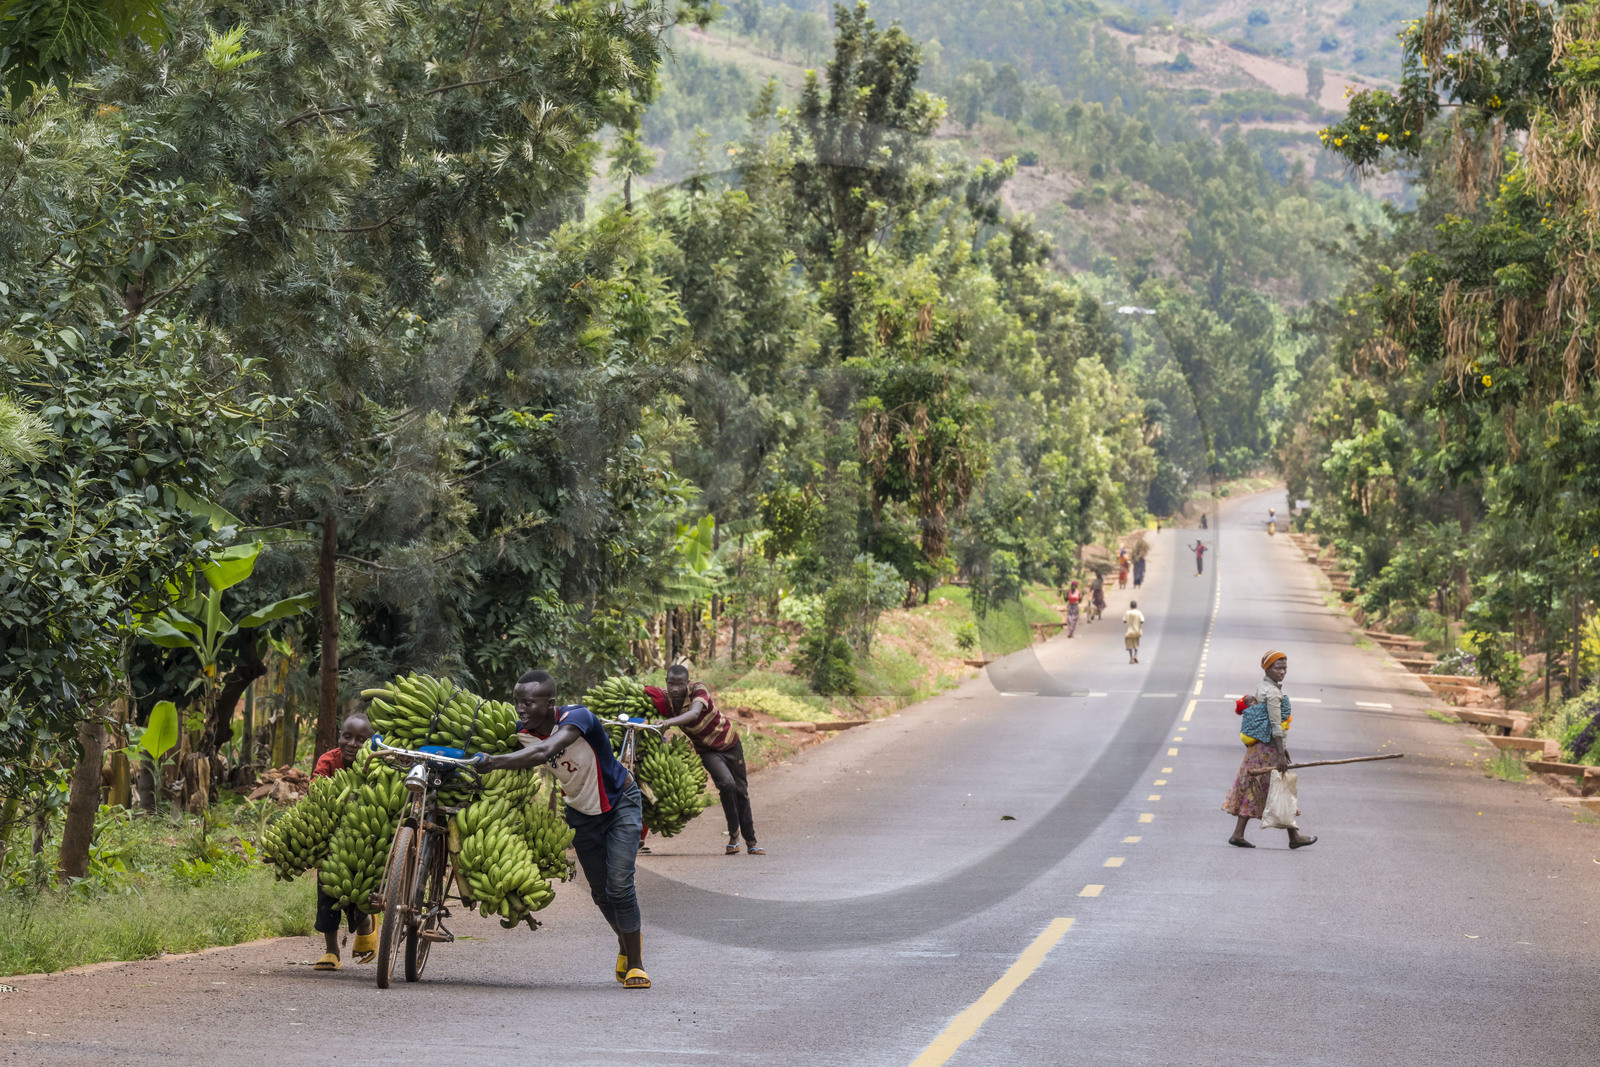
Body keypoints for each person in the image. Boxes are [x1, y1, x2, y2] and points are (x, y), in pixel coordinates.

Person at [477, 669, 651, 989]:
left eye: (528, 703)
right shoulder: (523, 732)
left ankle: (637, 965)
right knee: (600, 893)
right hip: (581, 815)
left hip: (620, 803)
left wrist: (495, 761)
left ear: (550, 703)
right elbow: (516, 747)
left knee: (619, 885)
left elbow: (543, 753)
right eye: (517, 702)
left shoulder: (577, 718)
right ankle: (626, 946)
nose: (520, 709)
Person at [647, 664, 761, 856]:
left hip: (730, 742)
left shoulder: (699, 689)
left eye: (680, 684)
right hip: (707, 750)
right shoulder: (666, 700)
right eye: (671, 683)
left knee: (741, 790)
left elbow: (693, 713)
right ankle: (734, 835)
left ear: (688, 683)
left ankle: (751, 841)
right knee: (727, 784)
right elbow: (648, 698)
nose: (675, 688)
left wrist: (666, 723)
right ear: (666, 682)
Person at [1222, 651, 1317, 850]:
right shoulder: (1273, 693)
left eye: (1285, 669)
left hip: (1258, 748)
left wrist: (1284, 749)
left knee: (1255, 787)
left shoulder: (1263, 686)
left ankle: (1238, 834)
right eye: (1278, 668)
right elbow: (1275, 724)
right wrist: (1280, 753)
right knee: (1280, 788)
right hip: (1268, 750)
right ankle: (1294, 837)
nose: (1282, 672)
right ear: (1267, 668)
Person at [313, 713, 377, 971]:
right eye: (347, 736)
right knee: (327, 891)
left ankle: (366, 926)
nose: (352, 743)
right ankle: (331, 951)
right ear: (339, 735)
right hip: (331, 837)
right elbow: (316, 789)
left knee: (359, 887)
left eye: (361, 740)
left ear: (371, 742)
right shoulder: (328, 761)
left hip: (364, 836)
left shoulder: (376, 764)